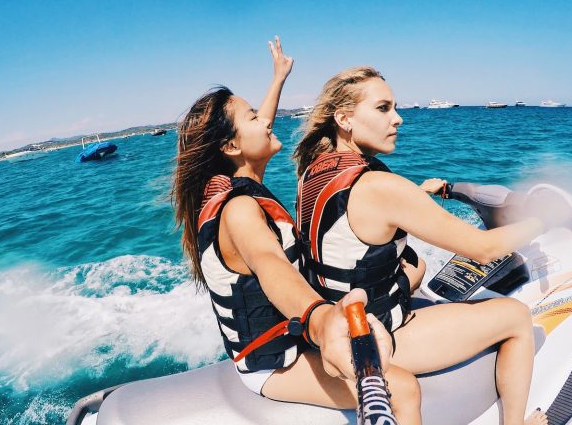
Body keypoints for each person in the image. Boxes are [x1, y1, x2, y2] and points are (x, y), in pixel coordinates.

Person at [293, 66, 563, 425]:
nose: (398, 119)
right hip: (375, 336)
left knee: (415, 269)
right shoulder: (380, 187)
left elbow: (350, 228)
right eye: (383, 108)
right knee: (515, 317)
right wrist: (542, 219)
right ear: (344, 119)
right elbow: (483, 248)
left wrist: (414, 198)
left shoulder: (312, 171)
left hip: (334, 326)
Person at [171, 41, 423, 423]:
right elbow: (271, 265)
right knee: (403, 390)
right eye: (254, 116)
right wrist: (320, 320)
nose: (266, 121)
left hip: (289, 337)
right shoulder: (239, 210)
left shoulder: (240, 177)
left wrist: (278, 78)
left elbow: (256, 134)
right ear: (232, 145)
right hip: (273, 362)